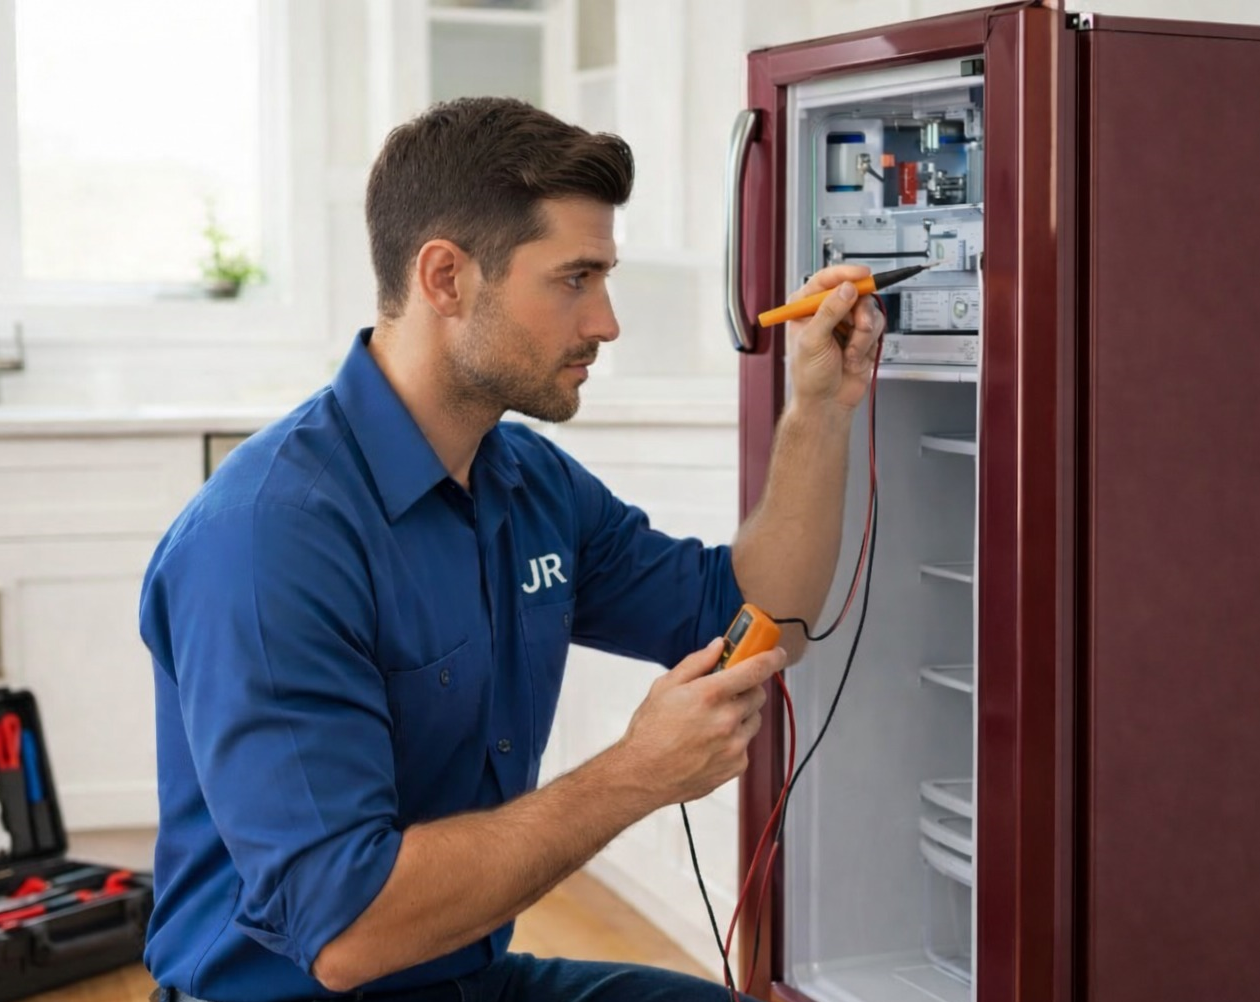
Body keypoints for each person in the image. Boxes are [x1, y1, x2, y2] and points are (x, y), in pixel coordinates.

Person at [139, 96, 884, 1002]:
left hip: (464, 978)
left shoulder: (528, 482)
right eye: (574, 278)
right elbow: (343, 930)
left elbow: (763, 615)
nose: (605, 322)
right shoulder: (267, 540)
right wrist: (634, 776)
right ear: (446, 279)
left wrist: (817, 408)